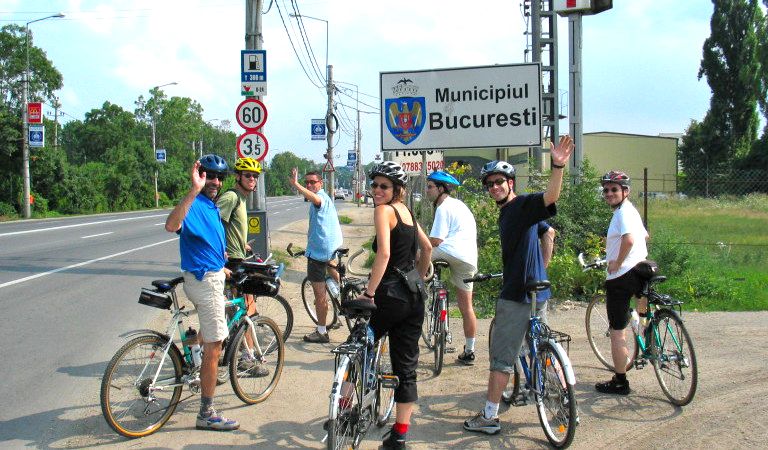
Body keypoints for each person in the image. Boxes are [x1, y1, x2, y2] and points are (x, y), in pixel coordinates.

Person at [463, 135, 573, 435]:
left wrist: (558, 166)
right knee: (540, 346)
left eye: (500, 181)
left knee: (501, 360)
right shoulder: (519, 214)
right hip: (540, 291)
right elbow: (548, 233)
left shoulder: (520, 207)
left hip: (516, 295)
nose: (494, 187)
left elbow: (550, 197)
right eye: (490, 184)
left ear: (511, 183)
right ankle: (561, 401)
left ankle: (489, 417)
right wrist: (541, 268)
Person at [358, 161, 431, 449]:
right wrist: (419, 277)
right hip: (414, 296)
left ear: (397, 189)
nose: (377, 190)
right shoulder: (407, 212)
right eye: (374, 185)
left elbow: (384, 254)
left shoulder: (383, 211)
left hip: (389, 294)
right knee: (406, 367)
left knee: (360, 342)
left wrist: (369, 292)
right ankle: (399, 434)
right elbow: (426, 248)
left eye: (383, 186)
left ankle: (347, 407)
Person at [164, 154, 239, 431]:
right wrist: (194, 188)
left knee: (211, 332)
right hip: (204, 281)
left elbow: (208, 243)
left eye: (219, 177)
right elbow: (172, 225)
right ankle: (206, 413)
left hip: (211, 274)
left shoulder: (210, 206)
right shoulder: (195, 202)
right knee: (216, 346)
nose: (215, 181)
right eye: (209, 175)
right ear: (199, 174)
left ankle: (194, 350)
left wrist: (222, 266)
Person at [594, 170, 649, 395]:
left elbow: (629, 239)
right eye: (606, 190)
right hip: (642, 269)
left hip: (622, 275)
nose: (609, 193)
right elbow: (645, 237)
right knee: (642, 305)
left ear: (625, 191)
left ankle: (620, 381)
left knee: (617, 331)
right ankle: (647, 336)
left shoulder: (621, 214)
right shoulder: (632, 211)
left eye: (614, 189)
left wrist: (616, 261)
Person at [216, 157, 268, 376]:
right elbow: (211, 223)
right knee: (244, 310)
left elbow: (229, 227)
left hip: (238, 256)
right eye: (248, 175)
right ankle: (244, 358)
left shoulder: (241, 198)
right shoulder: (231, 197)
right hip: (230, 262)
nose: (253, 180)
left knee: (236, 310)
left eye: (255, 176)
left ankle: (228, 354)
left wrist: (241, 243)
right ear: (238, 176)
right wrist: (221, 250)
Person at [425, 170, 479, 365]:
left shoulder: (443, 207)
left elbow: (436, 240)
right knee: (467, 307)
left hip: (449, 251)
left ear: (441, 189)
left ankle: (417, 287)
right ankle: (470, 350)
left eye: (430, 187)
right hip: (468, 258)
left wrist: (421, 241)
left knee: (418, 254)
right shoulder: (460, 205)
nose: (427, 190)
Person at [289, 168, 343, 343]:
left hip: (319, 253)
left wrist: (296, 185)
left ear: (321, 183)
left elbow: (314, 198)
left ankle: (321, 331)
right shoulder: (325, 199)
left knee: (319, 295)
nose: (310, 185)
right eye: (307, 183)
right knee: (336, 276)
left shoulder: (320, 198)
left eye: (313, 182)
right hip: (330, 249)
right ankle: (343, 303)